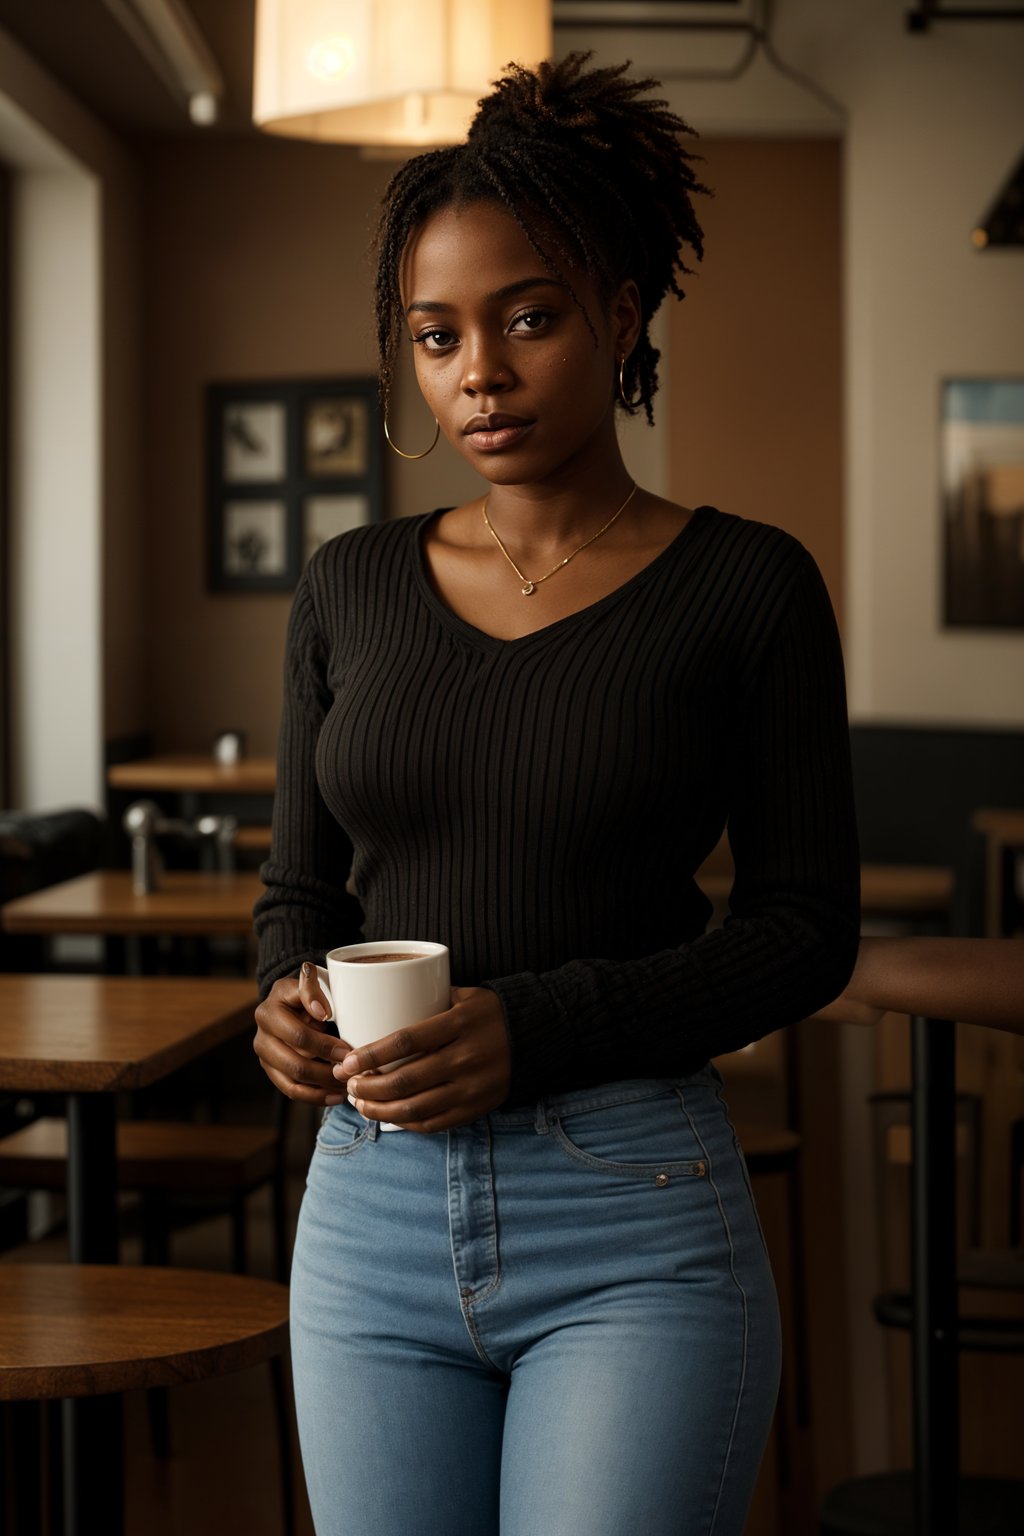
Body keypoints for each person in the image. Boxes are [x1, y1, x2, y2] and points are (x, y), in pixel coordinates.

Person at [252, 53, 861, 1536]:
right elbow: (300, 892)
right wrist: (281, 996)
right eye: (436, 334)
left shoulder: (748, 586)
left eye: (527, 319)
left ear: (619, 316)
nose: (481, 372)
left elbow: (805, 927)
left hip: (630, 1213)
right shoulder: (347, 588)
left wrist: (537, 1028)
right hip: (369, 1209)